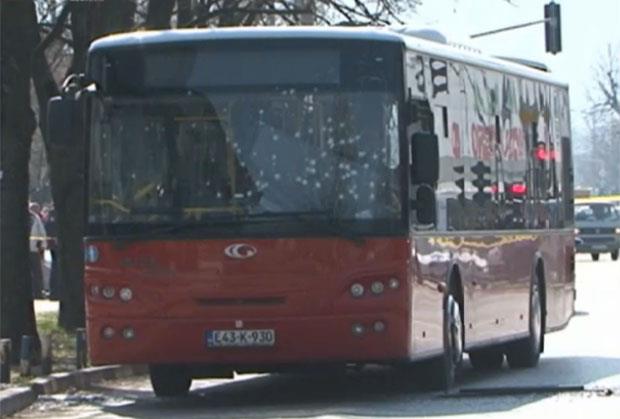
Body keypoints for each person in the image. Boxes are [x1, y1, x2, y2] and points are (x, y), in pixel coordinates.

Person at [29, 203, 47, 299]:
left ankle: (38, 293)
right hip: (20, 252)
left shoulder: (35, 218)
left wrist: (41, 248)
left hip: (34, 250)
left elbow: (42, 234)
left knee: (37, 272)